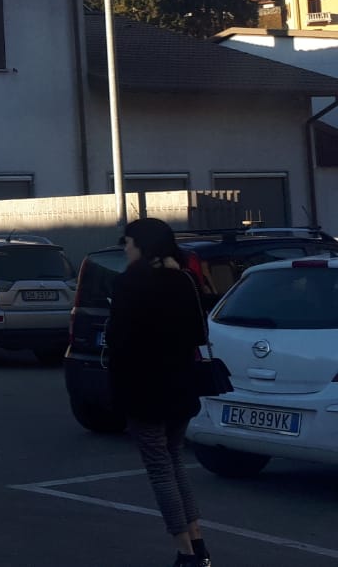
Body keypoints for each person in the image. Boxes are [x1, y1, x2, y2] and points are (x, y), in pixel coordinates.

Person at [106, 218, 212, 567]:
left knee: (159, 469)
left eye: (129, 243)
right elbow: (199, 333)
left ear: (143, 246)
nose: (125, 249)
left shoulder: (128, 284)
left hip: (144, 390)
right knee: (176, 462)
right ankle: (197, 541)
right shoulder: (184, 279)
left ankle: (184, 551)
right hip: (181, 386)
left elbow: (118, 342)